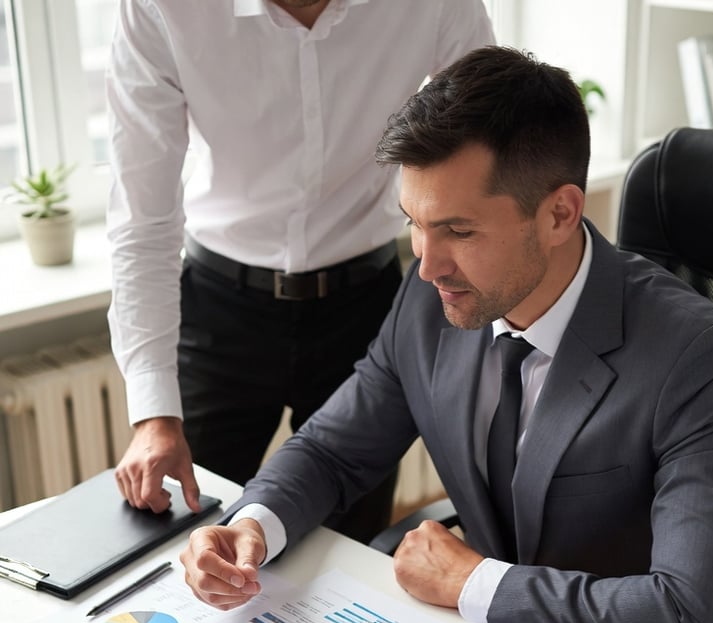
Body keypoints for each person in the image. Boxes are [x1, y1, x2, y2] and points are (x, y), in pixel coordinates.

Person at [180, 46, 713, 623]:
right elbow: (332, 451)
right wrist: (250, 527)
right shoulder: (430, 301)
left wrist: (475, 582)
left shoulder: (699, 356)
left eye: (457, 230)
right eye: (415, 225)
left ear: (559, 215)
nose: (428, 265)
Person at [106, 0, 495, 543]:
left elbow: (495, 130)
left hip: (365, 314)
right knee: (193, 537)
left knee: (348, 547)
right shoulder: (162, 8)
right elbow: (142, 221)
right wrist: (153, 416)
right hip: (220, 312)